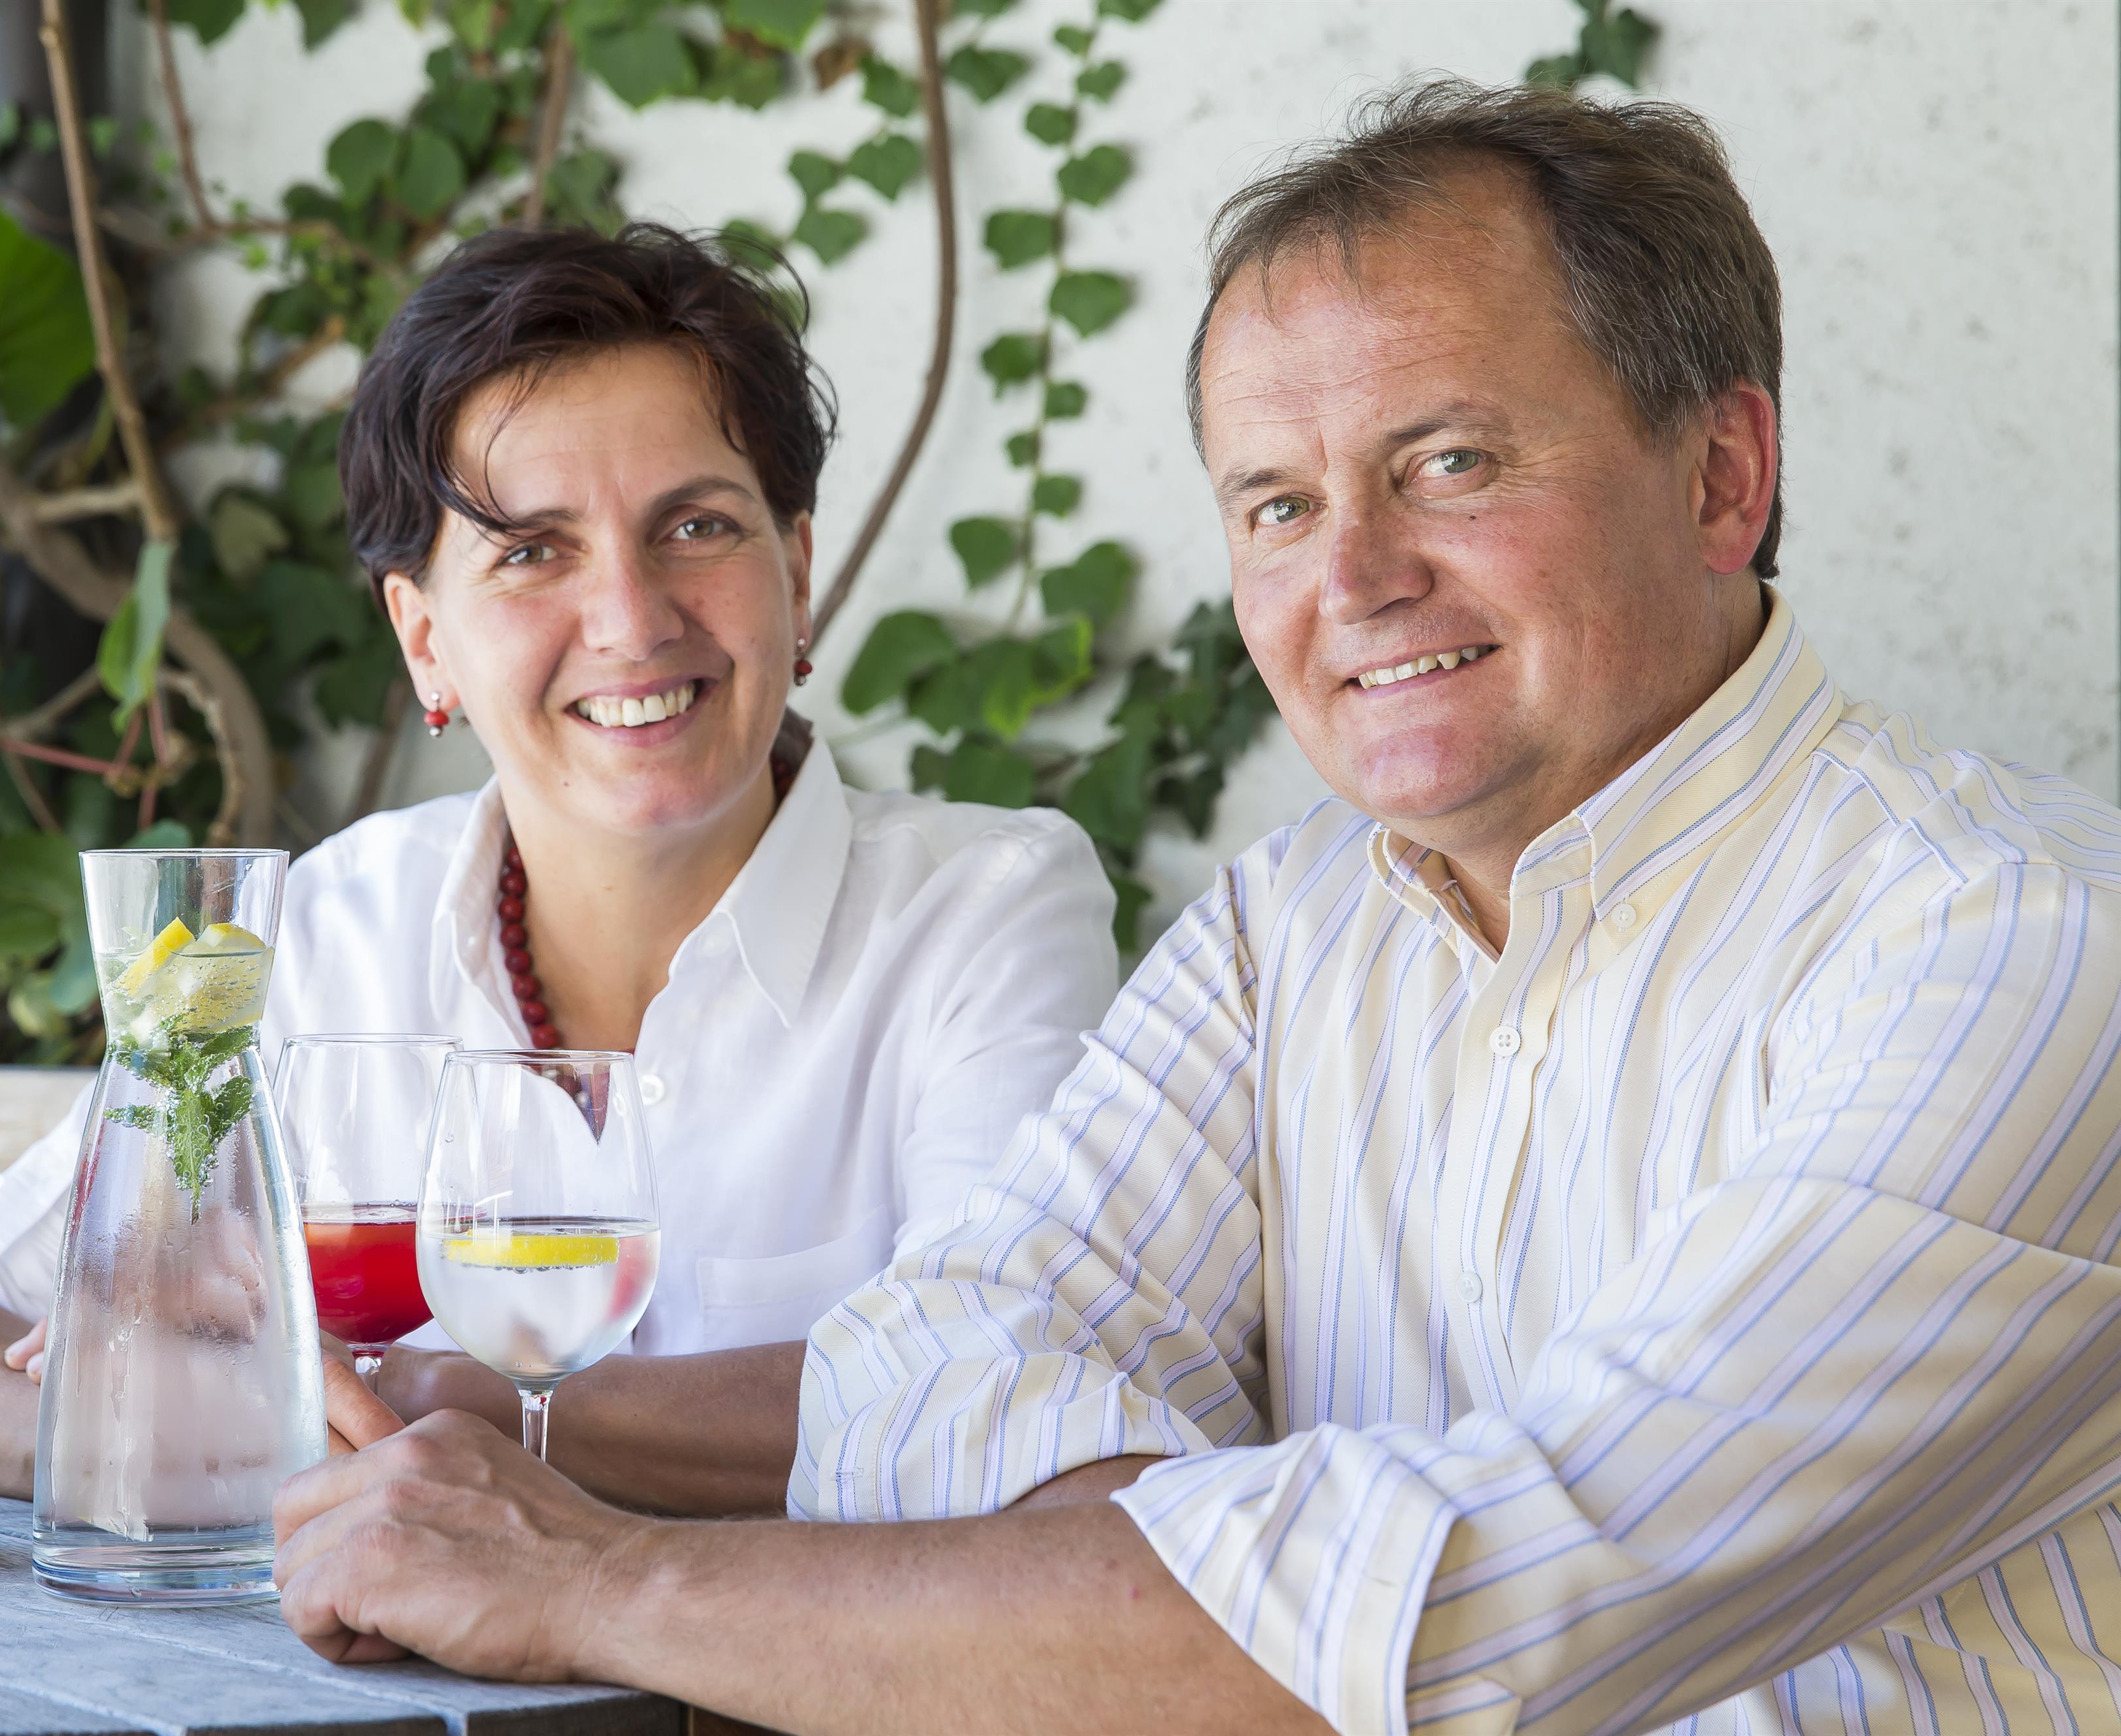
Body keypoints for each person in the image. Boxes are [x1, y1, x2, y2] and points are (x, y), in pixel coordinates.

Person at [273, 79, 2121, 1734]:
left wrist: (587, 1580)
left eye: (1449, 463)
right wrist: (1210, 1593)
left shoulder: (2018, 950)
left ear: (1723, 476)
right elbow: (925, 1381)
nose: (1358, 577)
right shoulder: (1287, 928)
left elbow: (1494, 1612)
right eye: (1275, 502)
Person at [0, 223, 1119, 1515]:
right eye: (530, 549)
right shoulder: (322, 936)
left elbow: (988, 1376)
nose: (630, 617)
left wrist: (423, 1397)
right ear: (424, 639)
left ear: (794, 571)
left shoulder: (984, 911)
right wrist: (181, 1408)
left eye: (694, 524)